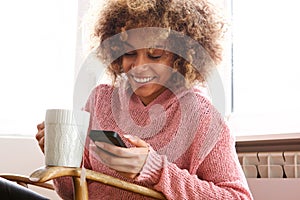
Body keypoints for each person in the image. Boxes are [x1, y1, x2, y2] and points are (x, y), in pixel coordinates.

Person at [36, 0, 253, 199]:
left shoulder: (203, 118)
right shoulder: (100, 100)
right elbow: (73, 193)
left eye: (155, 54)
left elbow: (238, 197)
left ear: (180, 57)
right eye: (130, 53)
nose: (138, 66)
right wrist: (60, 155)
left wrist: (155, 170)